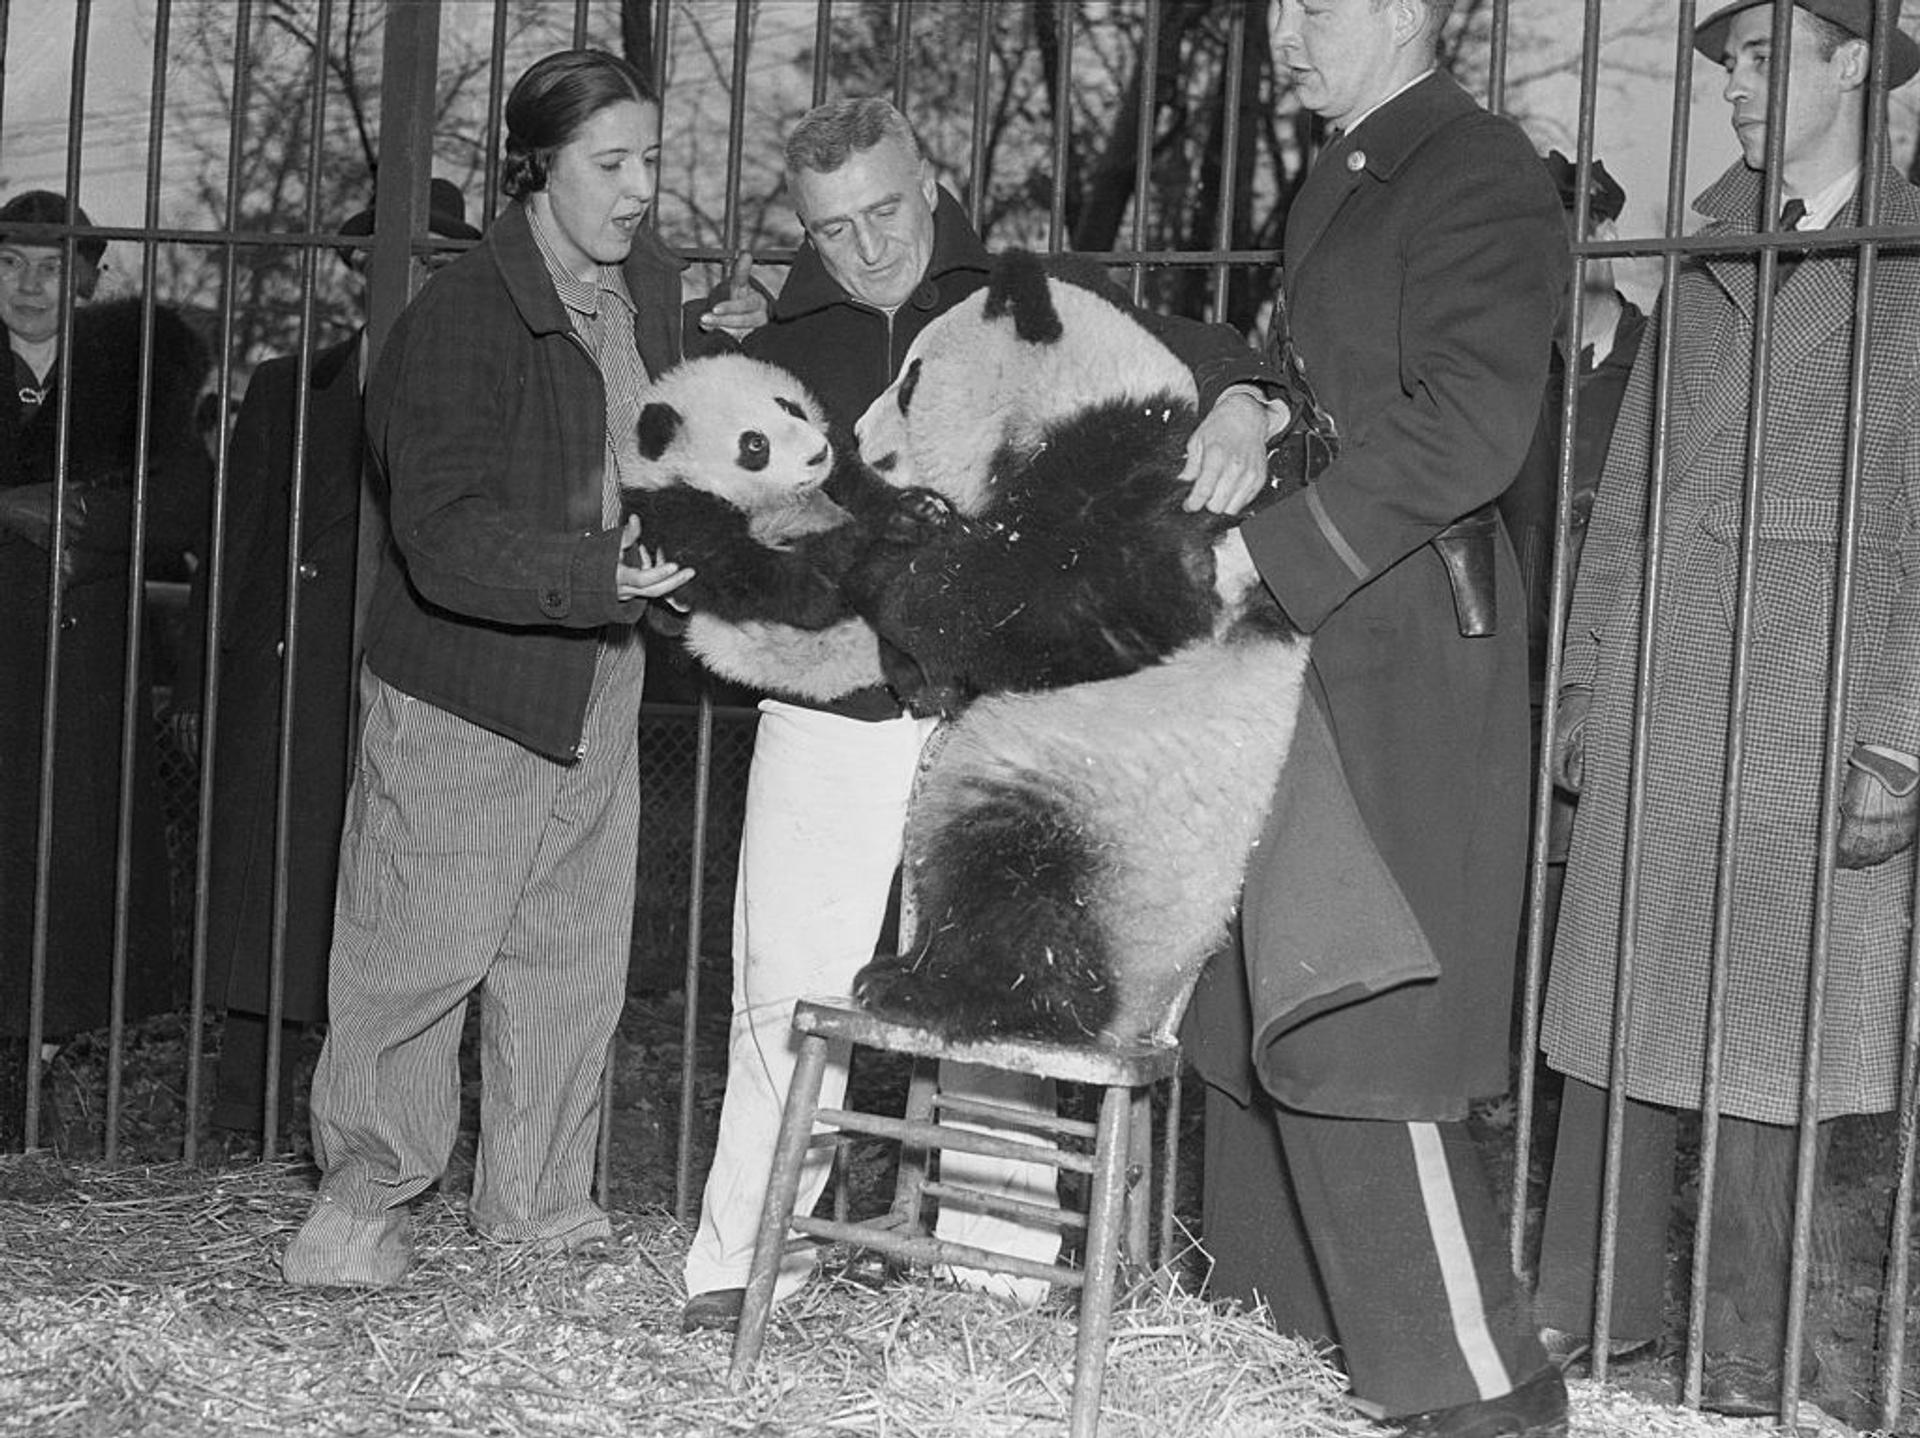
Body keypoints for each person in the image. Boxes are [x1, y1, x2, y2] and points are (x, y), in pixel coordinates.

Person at [678, 95, 1285, 1334]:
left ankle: (995, 1284)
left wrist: (1245, 400)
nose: (867, 247)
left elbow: (1191, 347)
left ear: (931, 176)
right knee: (784, 983)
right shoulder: (771, 341)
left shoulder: (1026, 289)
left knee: (1002, 995)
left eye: (887, 210)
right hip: (840, 700)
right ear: (800, 227)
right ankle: (745, 1264)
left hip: (1004, 709)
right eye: (833, 227)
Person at [282, 48, 751, 1285]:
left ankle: (540, 1212)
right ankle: (359, 1211)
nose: (644, 187)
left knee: (569, 956)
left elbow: (637, 431)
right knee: (418, 954)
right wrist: (598, 570)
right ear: (535, 170)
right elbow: (439, 533)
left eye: (651, 158)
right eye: (613, 164)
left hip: (597, 677)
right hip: (467, 688)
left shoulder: (636, 288)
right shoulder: (460, 318)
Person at [1182, 1, 1572, 1434]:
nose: (1288, 27)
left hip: (1399, 648)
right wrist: (1251, 397)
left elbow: (1471, 421)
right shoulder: (1351, 170)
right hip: (1324, 645)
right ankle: (1270, 1353)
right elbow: (1342, 383)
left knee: (1362, 1009)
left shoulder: (1473, 165)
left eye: (1322, 3)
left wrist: (1261, 552)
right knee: (1270, 999)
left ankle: (1481, 1389)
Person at [1537, 0, 1920, 1416]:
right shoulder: (1706, 248)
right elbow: (1629, 489)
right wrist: (1584, 676)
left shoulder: (1911, 257)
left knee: (1788, 1042)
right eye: (1728, 61)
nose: (1740, 87)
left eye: (1768, 57)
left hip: (1815, 705)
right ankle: (1595, 1326)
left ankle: (1760, 1368)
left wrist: (1899, 729)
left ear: (1856, 62)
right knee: (1621, 1004)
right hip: (1663, 687)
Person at [181, 179, 482, 1144]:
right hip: (298, 675)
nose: (412, 279)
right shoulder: (288, 386)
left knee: (402, 897)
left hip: (421, 669)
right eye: (392, 257)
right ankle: (245, 1120)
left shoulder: (480, 389)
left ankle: (369, 1127)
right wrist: (201, 680)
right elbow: (234, 546)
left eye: (437, 260)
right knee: (277, 880)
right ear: (354, 269)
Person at [0, 190, 213, 1150]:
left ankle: (39, 1072)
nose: (31, 284)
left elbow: (187, 510)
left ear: (90, 279)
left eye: (54, 266)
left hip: (78, 665)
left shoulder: (136, 380)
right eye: (11, 262)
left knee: (65, 870)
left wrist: (89, 518)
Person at [1497, 151, 1651, 941]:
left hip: (1617, 695)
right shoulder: (1500, 378)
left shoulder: (1668, 366)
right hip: (1504, 696)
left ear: (1606, 234)